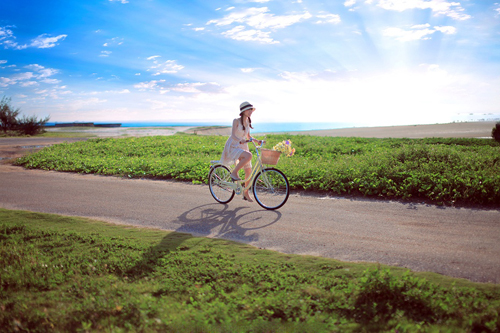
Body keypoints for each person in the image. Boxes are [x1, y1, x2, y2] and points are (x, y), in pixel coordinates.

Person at [220, 101, 262, 202]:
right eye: (249, 109)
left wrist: (257, 141)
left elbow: (248, 136)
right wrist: (240, 140)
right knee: (249, 156)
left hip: (242, 146)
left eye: (251, 109)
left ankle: (246, 193)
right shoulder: (236, 121)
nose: (251, 111)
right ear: (243, 111)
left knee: (248, 170)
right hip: (234, 146)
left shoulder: (247, 122)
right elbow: (233, 135)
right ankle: (234, 173)